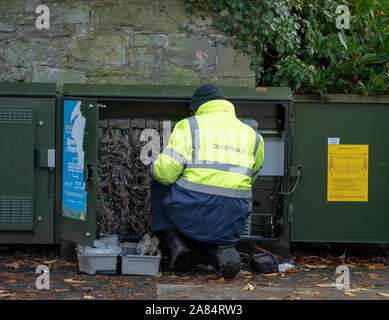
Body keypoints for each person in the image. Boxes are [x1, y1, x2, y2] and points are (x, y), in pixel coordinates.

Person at [149, 84, 264, 278]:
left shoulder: (190, 125)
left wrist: (152, 168)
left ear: (197, 108)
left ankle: (176, 241)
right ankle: (222, 247)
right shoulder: (252, 135)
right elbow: (253, 175)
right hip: (233, 214)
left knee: (159, 181)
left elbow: (166, 173)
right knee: (219, 209)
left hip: (192, 210)